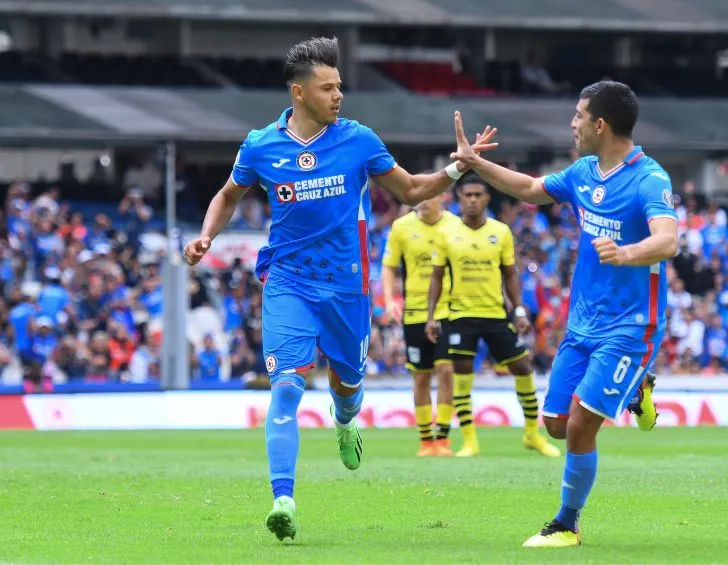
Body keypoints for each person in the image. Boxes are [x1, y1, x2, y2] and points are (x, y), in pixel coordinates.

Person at [182, 36, 497, 542]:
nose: (338, 95)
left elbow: (412, 190)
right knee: (286, 386)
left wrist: (459, 166)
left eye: (340, 86)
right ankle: (282, 498)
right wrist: (205, 235)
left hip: (348, 289)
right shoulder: (261, 145)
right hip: (287, 282)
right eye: (327, 87)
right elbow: (227, 194)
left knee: (347, 387)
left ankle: (345, 418)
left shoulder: (358, 140)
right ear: (299, 93)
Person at [449, 80, 678, 547]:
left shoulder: (649, 179)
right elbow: (532, 189)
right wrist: (476, 163)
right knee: (555, 423)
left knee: (578, 426)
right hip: (583, 323)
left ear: (600, 124)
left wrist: (627, 252)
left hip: (632, 325)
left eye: (577, 115)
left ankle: (566, 524)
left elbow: (669, 240)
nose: (571, 124)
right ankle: (639, 388)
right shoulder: (583, 172)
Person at [425, 176, 561, 459]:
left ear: (487, 199)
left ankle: (532, 435)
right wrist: (430, 316)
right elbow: (436, 277)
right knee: (463, 377)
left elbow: (510, 274)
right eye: (468, 195)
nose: (473, 200)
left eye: (478, 195)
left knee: (523, 368)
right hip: (460, 316)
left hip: (496, 314)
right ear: (459, 199)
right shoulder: (446, 234)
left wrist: (519, 310)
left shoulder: (501, 232)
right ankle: (470, 441)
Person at [381, 195, 459, 457]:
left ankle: (444, 438)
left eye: (430, 196)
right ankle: (426, 441)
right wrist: (391, 300)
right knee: (421, 375)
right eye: (419, 197)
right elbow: (389, 267)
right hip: (414, 312)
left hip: (448, 309)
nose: (423, 201)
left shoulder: (454, 225)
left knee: (446, 370)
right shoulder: (401, 227)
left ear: (443, 197)